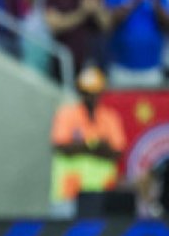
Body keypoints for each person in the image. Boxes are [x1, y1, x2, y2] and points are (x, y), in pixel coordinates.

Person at [49, 67, 127, 217]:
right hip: (69, 191)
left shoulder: (110, 118)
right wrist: (95, 145)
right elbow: (62, 146)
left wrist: (84, 145)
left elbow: (117, 151)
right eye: (87, 93)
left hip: (102, 190)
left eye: (94, 93)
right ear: (80, 92)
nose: (91, 98)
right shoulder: (66, 114)